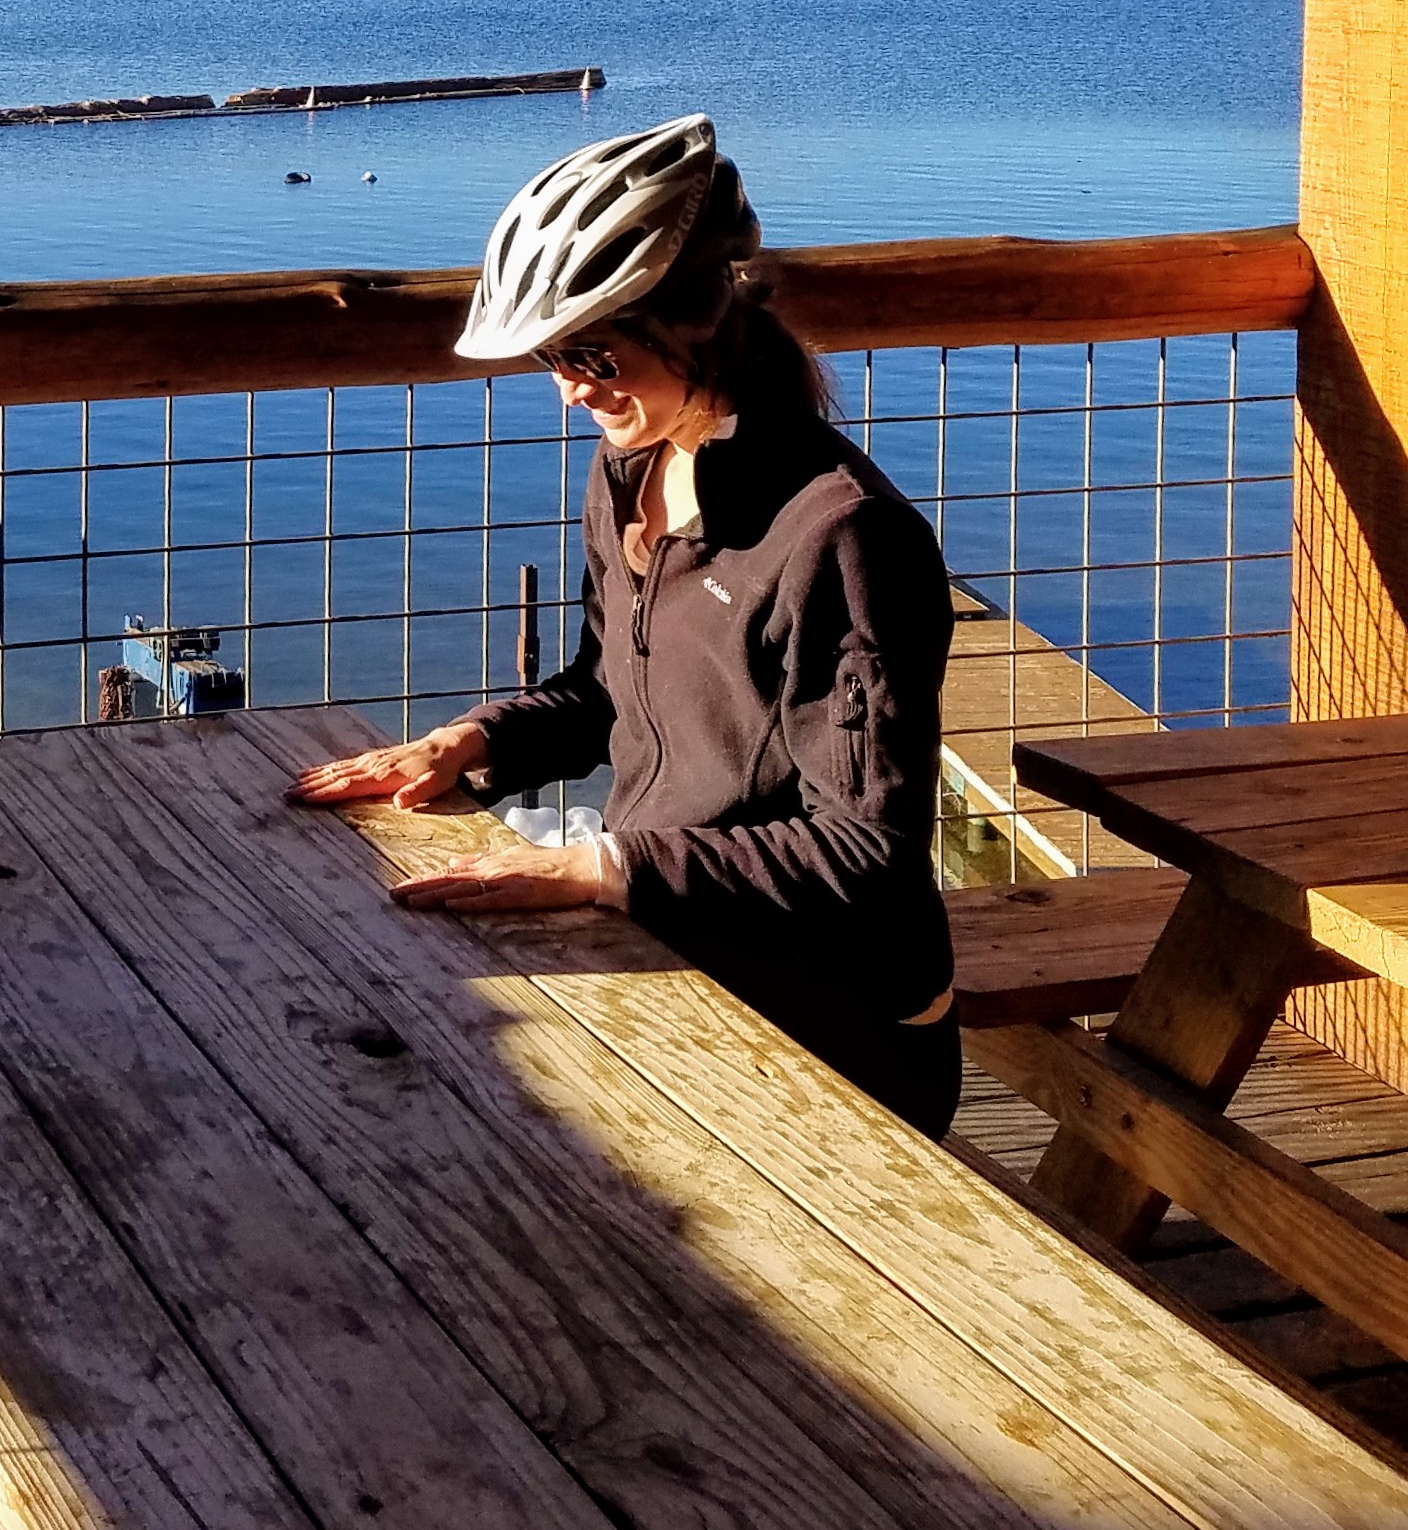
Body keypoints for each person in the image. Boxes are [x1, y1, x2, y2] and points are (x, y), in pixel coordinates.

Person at [290, 115, 963, 1137]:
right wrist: (477, 742)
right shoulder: (634, 464)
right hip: (681, 946)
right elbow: (611, 691)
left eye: (591, 351)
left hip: (839, 1019)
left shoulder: (842, 538)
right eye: (552, 356)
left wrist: (602, 868)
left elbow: (864, 861)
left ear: (696, 318)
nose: (568, 389)